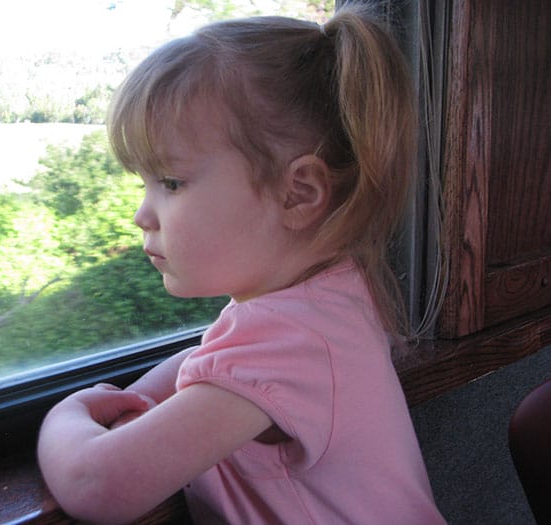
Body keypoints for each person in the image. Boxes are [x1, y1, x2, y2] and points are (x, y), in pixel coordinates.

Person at [37, 4, 445, 524]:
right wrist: (137, 397)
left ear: (297, 193)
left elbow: (96, 484)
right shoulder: (330, 294)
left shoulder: (293, 342)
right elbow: (211, 360)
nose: (142, 215)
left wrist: (67, 412)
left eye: (172, 182)